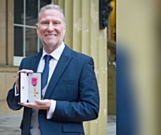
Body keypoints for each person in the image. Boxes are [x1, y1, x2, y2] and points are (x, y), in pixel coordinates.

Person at [7, 4, 99, 135]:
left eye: (56, 23)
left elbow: (91, 109)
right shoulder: (27, 62)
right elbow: (13, 105)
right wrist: (17, 88)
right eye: (45, 23)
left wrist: (52, 106)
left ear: (64, 28)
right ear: (37, 29)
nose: (50, 28)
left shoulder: (82, 63)